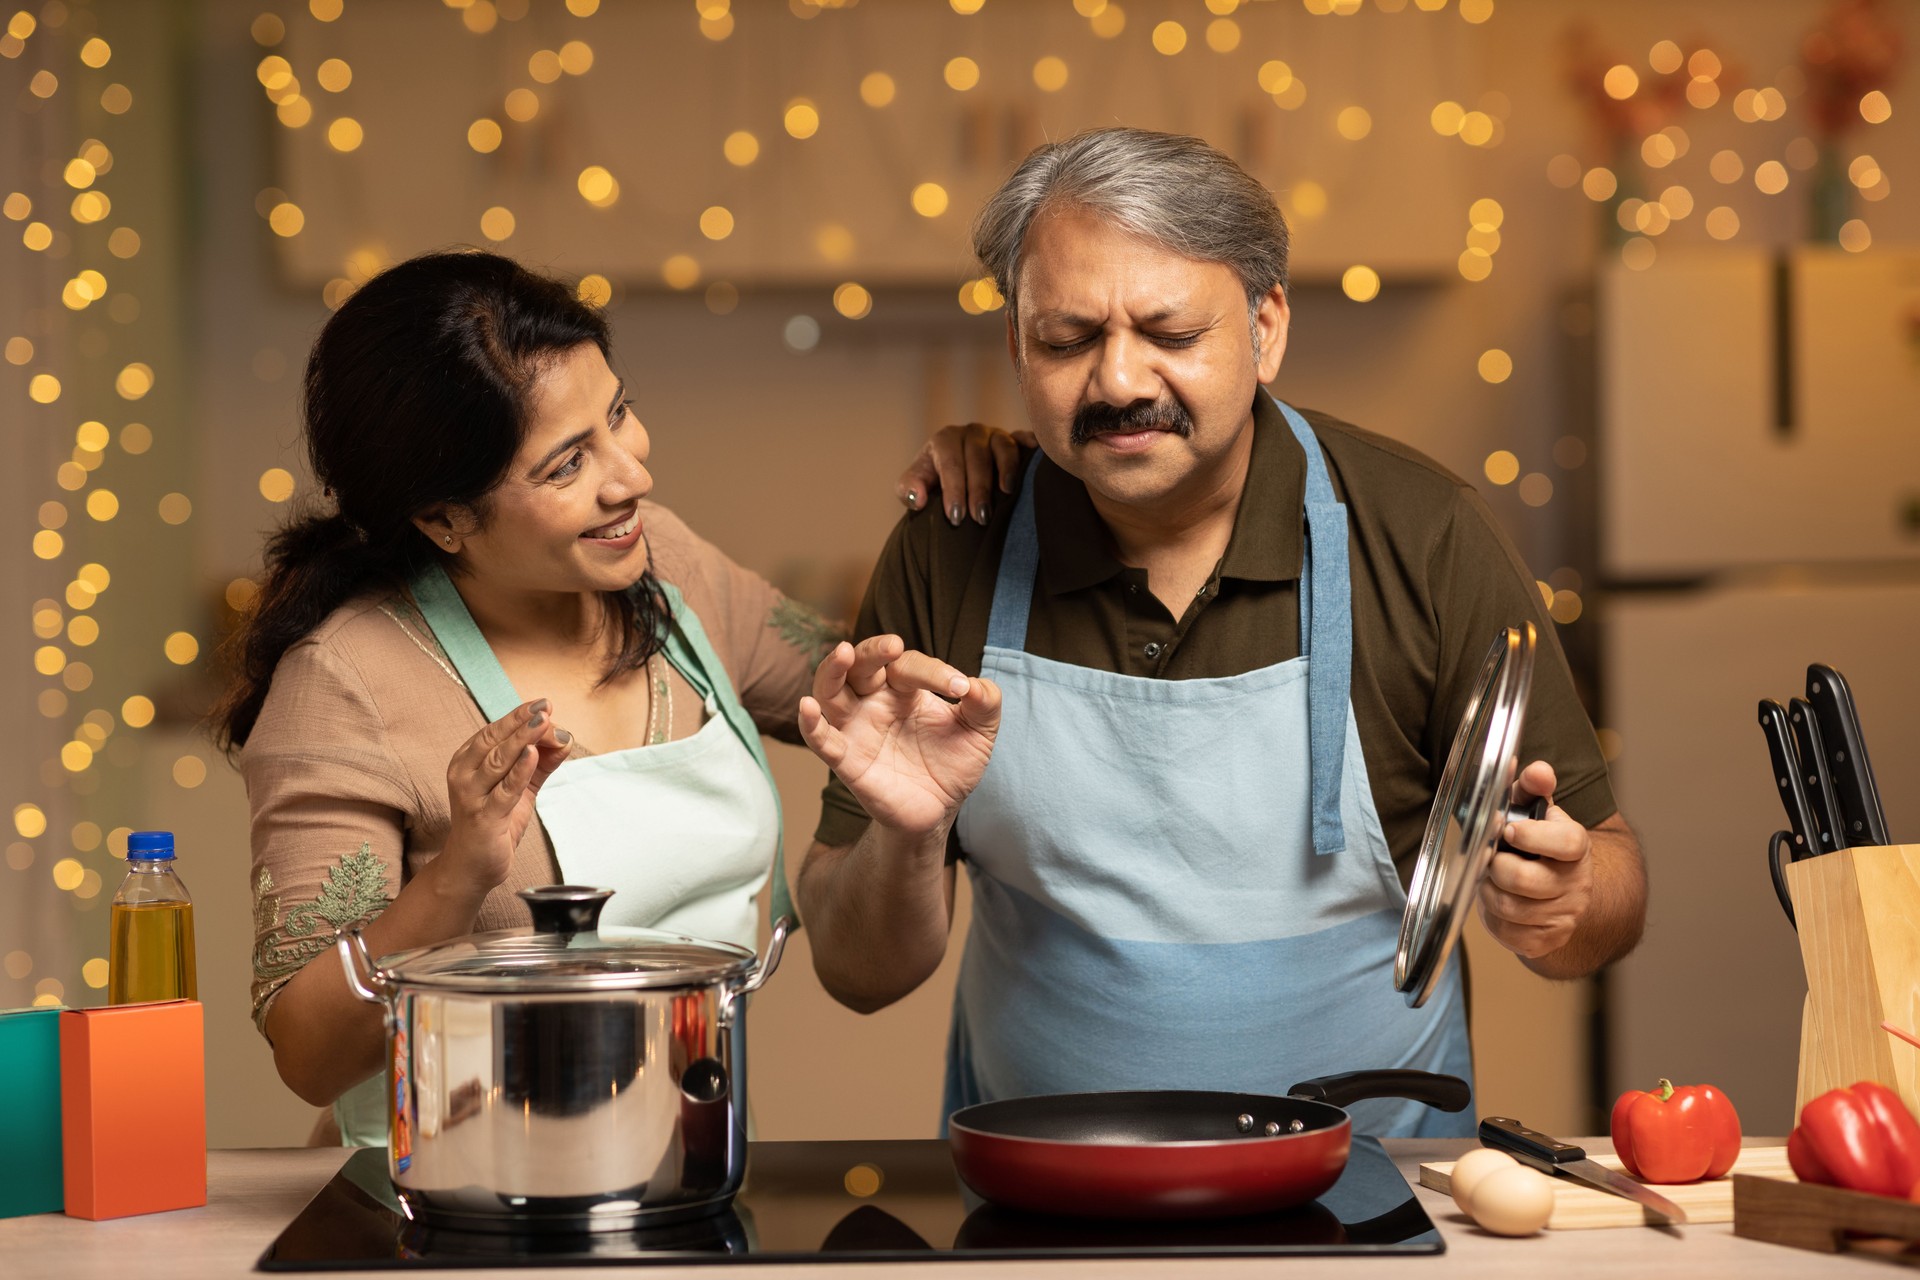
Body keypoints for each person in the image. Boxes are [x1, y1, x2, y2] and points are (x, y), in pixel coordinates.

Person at [792, 128, 1648, 1139]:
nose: (1117, 382)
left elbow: (1612, 893)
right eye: (1068, 340)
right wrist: (909, 830)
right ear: (1018, 345)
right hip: (1040, 1206)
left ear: (1266, 325)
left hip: (1367, 1201)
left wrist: (1570, 895)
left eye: (1170, 333)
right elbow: (858, 975)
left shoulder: (1423, 536)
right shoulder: (953, 544)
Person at [220, 250, 1024, 1145]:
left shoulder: (666, 569)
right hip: (448, 1206)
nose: (630, 476)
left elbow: (878, 686)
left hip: (687, 1174)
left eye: (619, 415)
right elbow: (309, 1053)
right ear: (443, 517)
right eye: (567, 465)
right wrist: (458, 879)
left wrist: (1011, 496)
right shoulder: (348, 681)